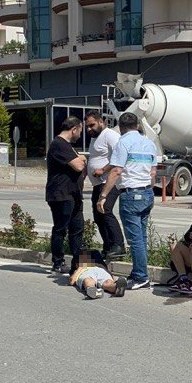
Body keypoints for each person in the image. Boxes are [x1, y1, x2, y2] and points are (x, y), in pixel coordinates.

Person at [98, 112, 157, 290]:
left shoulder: (123, 143)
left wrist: (103, 195)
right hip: (147, 193)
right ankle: (140, 271)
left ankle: (141, 276)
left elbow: (116, 171)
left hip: (131, 194)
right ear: (137, 126)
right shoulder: (149, 143)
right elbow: (153, 173)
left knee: (135, 239)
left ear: (121, 127)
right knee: (142, 237)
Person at [46, 116, 86, 274]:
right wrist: (82, 158)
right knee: (60, 229)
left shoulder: (68, 146)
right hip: (61, 195)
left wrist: (80, 159)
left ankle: (78, 262)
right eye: (80, 131)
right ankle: (58, 262)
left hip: (73, 194)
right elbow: (78, 166)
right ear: (74, 129)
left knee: (77, 229)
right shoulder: (59, 144)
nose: (80, 135)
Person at [85, 111, 126, 260]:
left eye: (92, 125)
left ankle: (119, 246)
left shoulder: (110, 135)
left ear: (101, 122)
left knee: (105, 210)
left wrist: (103, 170)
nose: (89, 129)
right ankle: (108, 246)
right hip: (98, 183)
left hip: (109, 182)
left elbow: (119, 158)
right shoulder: (95, 138)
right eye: (87, 126)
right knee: (98, 215)